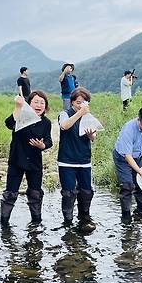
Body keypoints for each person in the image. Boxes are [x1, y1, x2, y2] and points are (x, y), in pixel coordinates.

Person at [0, 91, 53, 227]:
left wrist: (42, 145)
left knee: (35, 193)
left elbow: (49, 141)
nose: (39, 105)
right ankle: (4, 224)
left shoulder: (46, 123)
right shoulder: (21, 116)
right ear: (29, 103)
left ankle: (36, 223)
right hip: (17, 160)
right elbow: (8, 123)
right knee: (10, 193)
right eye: (36, 101)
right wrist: (18, 107)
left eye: (42, 102)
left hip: (35, 162)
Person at [58, 88, 98, 230]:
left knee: (86, 191)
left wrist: (90, 135)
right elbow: (65, 126)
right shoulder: (64, 114)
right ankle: (68, 222)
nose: (81, 105)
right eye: (78, 102)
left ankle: (84, 217)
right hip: (66, 160)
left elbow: (93, 138)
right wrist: (80, 113)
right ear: (72, 102)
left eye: (84, 102)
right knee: (68, 192)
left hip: (84, 159)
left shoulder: (89, 117)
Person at [113, 107, 142, 219]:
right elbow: (127, 156)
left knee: (141, 184)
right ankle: (126, 215)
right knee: (127, 185)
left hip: (138, 156)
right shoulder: (129, 129)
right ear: (139, 120)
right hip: (123, 158)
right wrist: (140, 171)